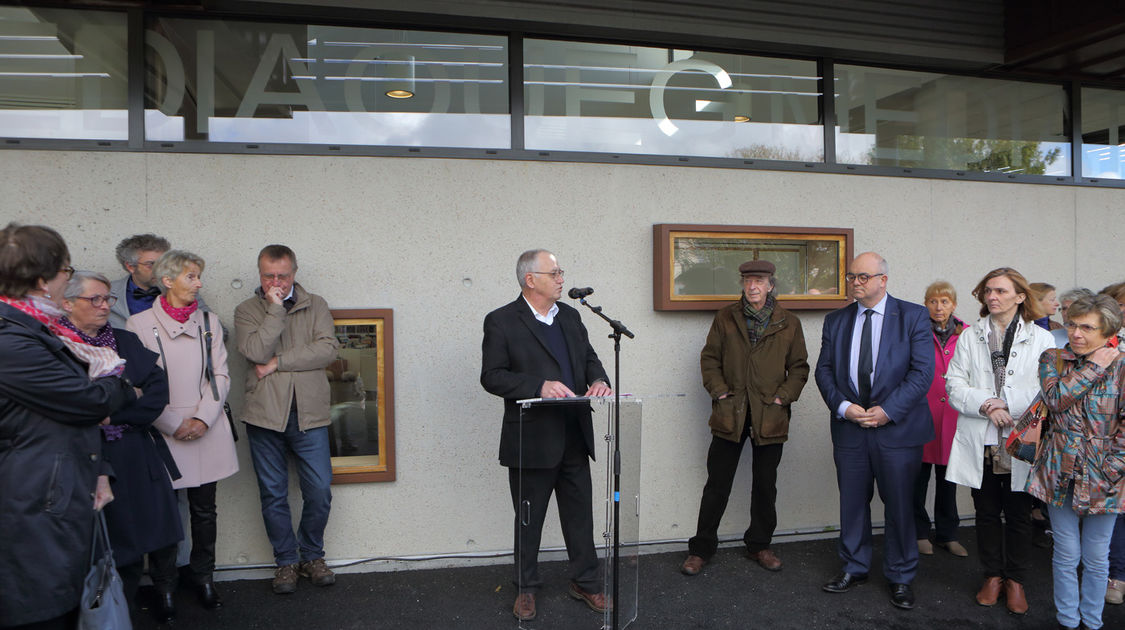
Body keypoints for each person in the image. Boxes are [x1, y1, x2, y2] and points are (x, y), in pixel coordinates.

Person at [0, 223, 137, 629]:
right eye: (65, 270)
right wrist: (118, 380)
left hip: (50, 495)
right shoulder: (12, 341)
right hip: (33, 505)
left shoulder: (34, 329)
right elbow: (88, 400)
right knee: (43, 612)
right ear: (43, 281)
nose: (68, 279)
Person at [481, 249, 612, 622]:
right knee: (529, 519)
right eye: (554, 273)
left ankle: (586, 582)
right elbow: (492, 376)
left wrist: (599, 380)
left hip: (574, 433)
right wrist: (539, 385)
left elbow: (589, 358)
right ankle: (525, 588)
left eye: (560, 272)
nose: (561, 279)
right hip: (531, 439)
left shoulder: (571, 317)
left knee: (579, 517)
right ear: (530, 279)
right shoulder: (502, 321)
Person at [814, 251, 934, 610]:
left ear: (883, 280)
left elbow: (922, 372)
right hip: (850, 429)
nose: (855, 282)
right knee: (852, 503)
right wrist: (843, 407)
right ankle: (854, 566)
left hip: (897, 431)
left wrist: (888, 411)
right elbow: (824, 371)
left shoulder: (913, 316)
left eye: (863, 276)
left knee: (898, 505)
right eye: (852, 277)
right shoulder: (836, 320)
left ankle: (900, 575)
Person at [60, 271, 183, 618]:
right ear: (68, 303)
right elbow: (73, 405)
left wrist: (113, 416)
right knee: (91, 547)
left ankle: (121, 615)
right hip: (81, 458)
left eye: (107, 299)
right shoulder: (56, 346)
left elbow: (157, 390)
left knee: (135, 544)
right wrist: (126, 394)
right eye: (94, 299)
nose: (104, 306)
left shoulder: (124, 341)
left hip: (130, 453)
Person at [126, 249, 238, 620]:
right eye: (192, 276)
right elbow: (137, 386)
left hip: (207, 428)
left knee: (205, 511)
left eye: (199, 276)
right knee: (165, 513)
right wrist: (173, 424)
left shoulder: (209, 321)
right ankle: (165, 585)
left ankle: (204, 577)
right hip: (163, 432)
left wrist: (203, 419)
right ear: (168, 280)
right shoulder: (138, 324)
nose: (199, 283)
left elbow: (220, 374)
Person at [680, 260, 809, 576]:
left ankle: (759, 545)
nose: (752, 286)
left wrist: (782, 397)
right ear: (742, 284)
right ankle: (701, 549)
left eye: (759, 281)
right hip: (730, 413)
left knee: (766, 484)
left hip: (770, 414)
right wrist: (720, 391)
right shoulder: (726, 318)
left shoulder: (787, 322)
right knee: (717, 484)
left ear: (770, 285)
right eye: (748, 280)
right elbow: (709, 359)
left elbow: (800, 368)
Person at [944, 267, 1053, 615]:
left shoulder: (1042, 339)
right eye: (988, 291)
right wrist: (987, 404)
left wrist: (1007, 402)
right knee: (986, 511)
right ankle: (992, 576)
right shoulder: (969, 336)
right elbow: (954, 383)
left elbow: (1046, 388)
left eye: (1001, 291)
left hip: (1020, 436)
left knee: (1020, 513)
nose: (992, 297)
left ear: (1020, 297)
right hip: (983, 435)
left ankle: (1016, 580)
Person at [234, 245, 339, 594]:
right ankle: (285, 562)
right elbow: (255, 352)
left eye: (282, 275)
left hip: (309, 414)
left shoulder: (317, 305)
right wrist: (275, 310)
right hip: (265, 417)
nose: (275, 282)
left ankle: (311, 555)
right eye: (268, 275)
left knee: (320, 490)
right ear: (260, 273)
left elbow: (327, 350)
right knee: (273, 494)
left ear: (294, 272)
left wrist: (278, 363)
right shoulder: (248, 310)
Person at [1027, 294, 1125, 630]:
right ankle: (1068, 621)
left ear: (1107, 329)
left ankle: (1092, 622)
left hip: (1106, 474)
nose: (1077, 333)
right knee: (1066, 554)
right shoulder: (1052, 358)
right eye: (1072, 324)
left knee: (1097, 557)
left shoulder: (1123, 367)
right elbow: (1055, 399)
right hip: (1059, 468)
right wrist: (1096, 365)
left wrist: (1114, 468)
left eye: (1087, 327)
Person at [914, 281, 968, 557]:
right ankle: (919, 532)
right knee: (918, 478)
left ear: (954, 305)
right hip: (922, 412)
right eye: (933, 301)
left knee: (949, 479)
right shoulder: (915, 331)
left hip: (953, 415)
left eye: (945, 302)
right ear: (926, 304)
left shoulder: (967, 333)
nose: (939, 307)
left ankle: (948, 533)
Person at [109, 233, 209, 329]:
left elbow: (218, 330)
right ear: (130, 267)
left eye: (163, 263)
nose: (160, 270)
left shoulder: (183, 289)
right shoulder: (108, 293)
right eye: (151, 264)